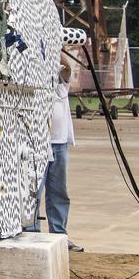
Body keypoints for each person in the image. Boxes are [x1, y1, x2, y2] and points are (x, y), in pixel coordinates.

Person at [25, 52, 80, 251]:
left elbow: (67, 68)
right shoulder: (33, 79)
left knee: (59, 192)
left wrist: (56, 47)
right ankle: (31, 232)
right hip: (38, 143)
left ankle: (59, 234)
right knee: (34, 192)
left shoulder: (60, 81)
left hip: (59, 143)